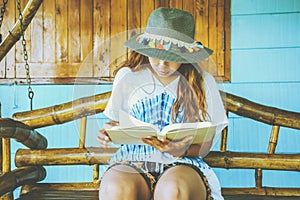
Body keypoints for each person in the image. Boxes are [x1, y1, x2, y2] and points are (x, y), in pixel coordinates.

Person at [97, 7, 228, 200]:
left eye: (172, 58)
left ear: (185, 55)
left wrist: (181, 150)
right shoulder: (127, 76)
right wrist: (108, 131)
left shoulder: (202, 82)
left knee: (173, 190)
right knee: (115, 188)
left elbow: (206, 144)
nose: (162, 64)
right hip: (133, 159)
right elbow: (117, 124)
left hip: (183, 163)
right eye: (155, 55)